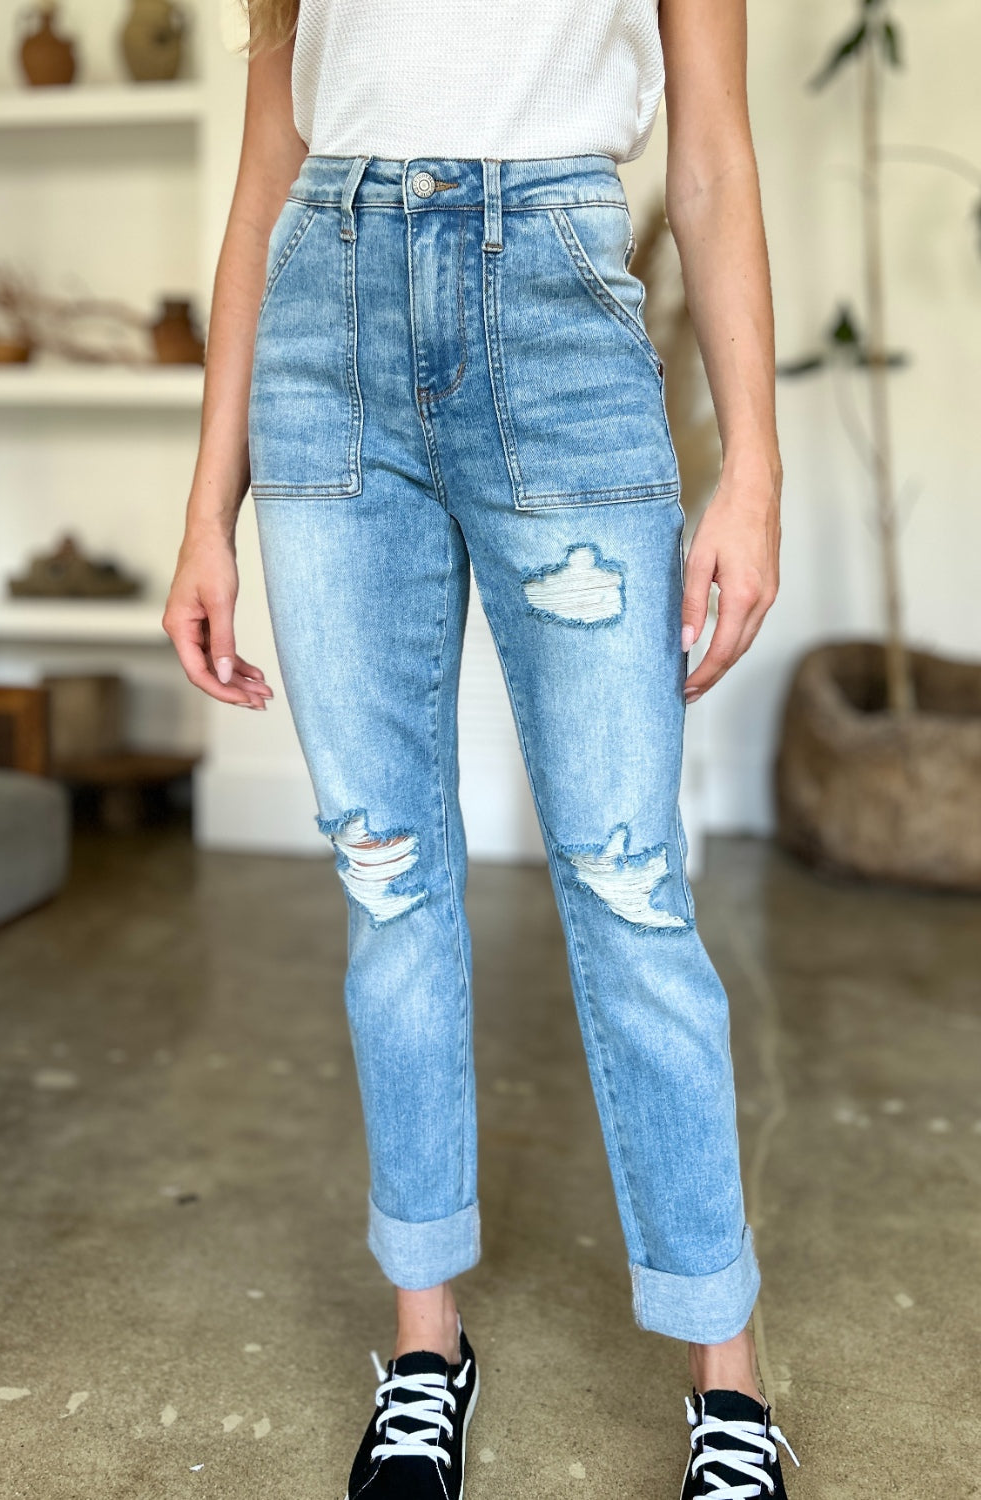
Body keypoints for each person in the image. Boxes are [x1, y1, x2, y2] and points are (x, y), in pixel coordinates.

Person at [164, 0, 799, 1495]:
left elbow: (707, 157)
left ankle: (730, 1380)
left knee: (630, 878)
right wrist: (208, 508)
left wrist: (755, 468)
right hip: (327, 338)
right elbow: (267, 185)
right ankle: (425, 1346)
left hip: (560, 316)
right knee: (388, 875)